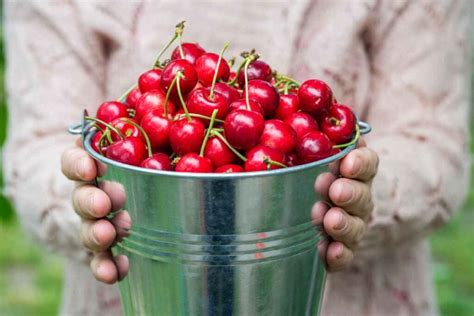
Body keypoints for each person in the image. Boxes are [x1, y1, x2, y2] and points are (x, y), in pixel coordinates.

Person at [3, 1, 470, 315]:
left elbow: (435, 149)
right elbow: (36, 149)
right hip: (138, 294)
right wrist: (85, 200)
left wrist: (359, 193)